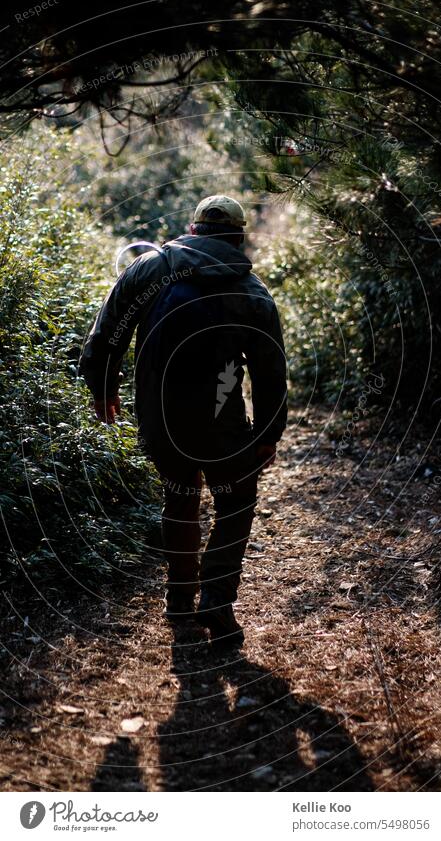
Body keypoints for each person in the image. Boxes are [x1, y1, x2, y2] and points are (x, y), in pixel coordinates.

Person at [80, 194, 287, 644]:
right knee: (235, 503)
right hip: (221, 419)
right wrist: (269, 432)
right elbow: (271, 370)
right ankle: (216, 600)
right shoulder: (251, 290)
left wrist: (104, 389)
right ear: (238, 236)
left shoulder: (151, 267)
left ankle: (179, 604)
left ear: (192, 229)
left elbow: (108, 329)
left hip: (160, 415)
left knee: (181, 498)